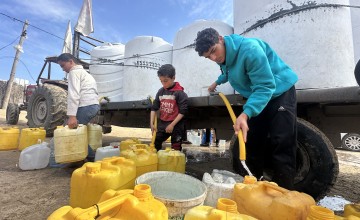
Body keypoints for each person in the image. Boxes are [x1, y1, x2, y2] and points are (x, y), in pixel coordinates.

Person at [194, 28, 298, 189]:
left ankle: (284, 192)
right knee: (253, 139)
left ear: (221, 39)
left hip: (279, 90)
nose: (214, 58)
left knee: (281, 140)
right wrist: (217, 82)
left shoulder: (250, 50)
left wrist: (246, 113)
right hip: (258, 94)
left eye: (214, 51)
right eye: (209, 57)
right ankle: (253, 186)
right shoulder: (224, 56)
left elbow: (265, 86)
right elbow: (227, 70)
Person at [57, 53, 100, 160]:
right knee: (78, 132)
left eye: (63, 65)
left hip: (86, 105)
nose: (63, 69)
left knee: (74, 133)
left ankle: (93, 159)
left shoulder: (74, 72)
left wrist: (72, 116)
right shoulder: (86, 73)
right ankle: (88, 157)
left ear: (71, 62)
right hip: (93, 105)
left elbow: (73, 94)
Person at [150, 64, 188, 151]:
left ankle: (175, 163)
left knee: (176, 146)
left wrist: (172, 125)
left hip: (176, 124)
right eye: (161, 81)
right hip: (163, 124)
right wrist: (151, 123)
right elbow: (154, 108)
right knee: (155, 142)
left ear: (173, 78)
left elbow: (183, 112)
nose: (163, 84)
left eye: (165, 81)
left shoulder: (179, 93)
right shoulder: (161, 91)